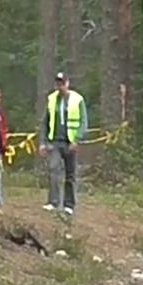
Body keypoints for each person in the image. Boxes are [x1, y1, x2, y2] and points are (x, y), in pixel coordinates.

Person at [43, 71, 86, 213]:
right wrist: (43, 141)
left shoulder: (77, 100)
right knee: (53, 170)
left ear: (67, 83)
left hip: (70, 142)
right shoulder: (51, 99)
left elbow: (83, 122)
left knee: (70, 174)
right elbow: (45, 122)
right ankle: (53, 201)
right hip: (55, 141)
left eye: (62, 83)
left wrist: (77, 138)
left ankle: (69, 204)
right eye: (58, 84)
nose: (60, 86)